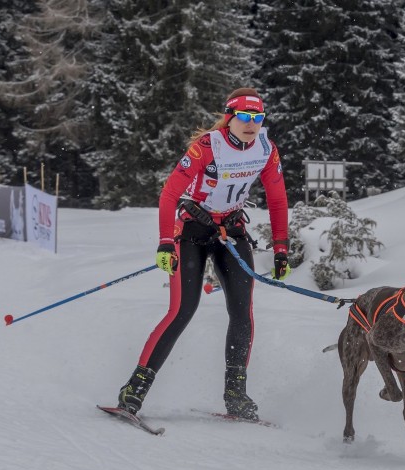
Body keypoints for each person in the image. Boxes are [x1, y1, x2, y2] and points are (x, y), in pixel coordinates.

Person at [116, 87, 291, 421]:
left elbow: (278, 199)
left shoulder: (267, 150)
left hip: (231, 231)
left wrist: (281, 247)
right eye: (244, 117)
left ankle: (235, 395)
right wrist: (166, 241)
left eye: (258, 117)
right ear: (230, 117)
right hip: (192, 232)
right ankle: (134, 390)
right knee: (183, 310)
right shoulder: (207, 147)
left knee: (242, 311)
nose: (251, 124)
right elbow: (169, 194)